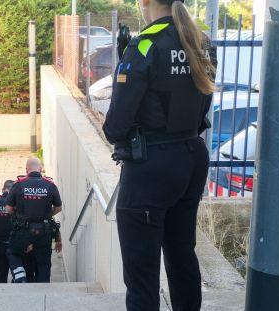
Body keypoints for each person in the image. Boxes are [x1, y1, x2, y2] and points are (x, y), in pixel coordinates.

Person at [102, 0, 217, 310]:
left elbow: (115, 126)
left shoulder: (143, 45)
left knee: (142, 272)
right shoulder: (202, 43)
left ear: (145, 3)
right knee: (182, 255)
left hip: (152, 167)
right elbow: (202, 107)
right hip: (191, 158)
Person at [6, 158, 62, 283]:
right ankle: (43, 290)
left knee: (13, 252)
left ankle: (21, 277)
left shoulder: (18, 184)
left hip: (22, 232)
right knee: (44, 264)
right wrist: (46, 215)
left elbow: (9, 209)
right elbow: (58, 208)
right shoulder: (51, 185)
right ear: (40, 169)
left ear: (27, 170)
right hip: (43, 232)